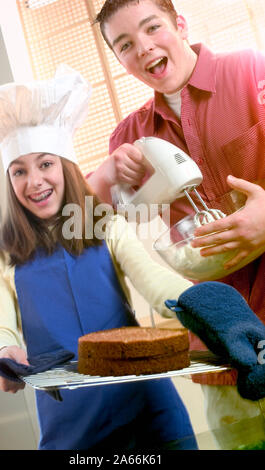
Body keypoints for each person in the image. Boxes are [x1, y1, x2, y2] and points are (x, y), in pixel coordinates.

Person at [0, 65, 198, 450]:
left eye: (45, 164)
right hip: (69, 431)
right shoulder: (4, 251)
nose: (34, 181)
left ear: (65, 167)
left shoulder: (106, 224)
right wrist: (3, 354)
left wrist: (208, 307)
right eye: (19, 171)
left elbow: (156, 282)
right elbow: (1, 327)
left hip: (149, 413)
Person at [87, 0, 265, 449]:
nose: (143, 48)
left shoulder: (251, 69)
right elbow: (78, 226)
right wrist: (108, 175)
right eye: (125, 45)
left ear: (179, 24)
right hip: (219, 354)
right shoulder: (130, 140)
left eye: (152, 29)